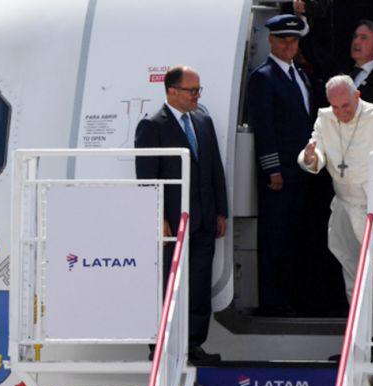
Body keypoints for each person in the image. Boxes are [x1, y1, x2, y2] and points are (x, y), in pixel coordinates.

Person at [298, 75, 373, 345]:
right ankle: (365, 340)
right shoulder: (325, 118)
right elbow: (315, 151)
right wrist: (310, 158)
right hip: (344, 205)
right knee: (352, 272)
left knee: (371, 271)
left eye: (346, 107)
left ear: (358, 96)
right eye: (335, 107)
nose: (340, 113)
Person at [135, 66, 228, 363]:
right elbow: (148, 178)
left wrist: (221, 211)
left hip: (203, 219)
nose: (197, 96)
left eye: (199, 90)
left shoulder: (203, 120)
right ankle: (161, 346)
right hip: (173, 222)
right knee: (168, 283)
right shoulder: (152, 126)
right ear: (171, 91)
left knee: (200, 285)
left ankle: (193, 344)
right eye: (192, 91)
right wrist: (158, 216)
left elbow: (214, 168)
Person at [247, 14, 323, 316]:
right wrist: (272, 169)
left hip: (302, 170)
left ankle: (292, 298)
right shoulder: (263, 77)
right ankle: (273, 301)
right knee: (276, 237)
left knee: (295, 236)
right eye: (283, 39)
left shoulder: (300, 75)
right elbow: (264, 128)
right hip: (280, 173)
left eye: (293, 40)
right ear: (270, 40)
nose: (289, 45)